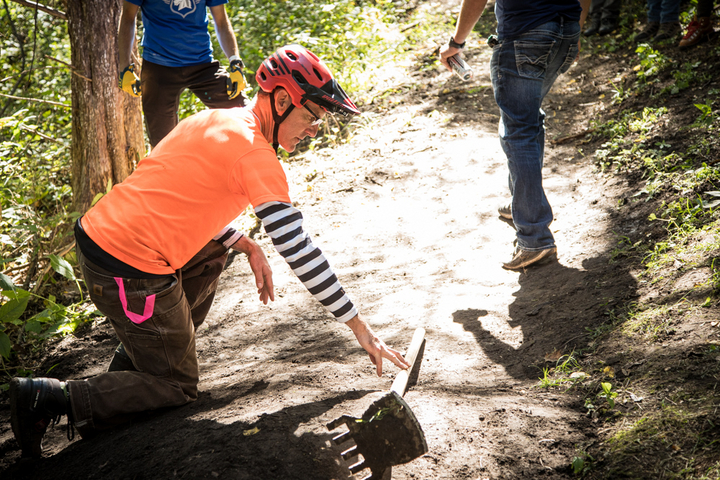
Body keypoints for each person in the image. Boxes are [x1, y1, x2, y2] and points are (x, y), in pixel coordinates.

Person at [9, 45, 410, 458]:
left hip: (102, 237)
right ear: (284, 99)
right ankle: (50, 398)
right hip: (127, 266)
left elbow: (175, 189)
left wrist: (243, 241)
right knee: (177, 386)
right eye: (311, 117)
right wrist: (361, 329)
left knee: (216, 253)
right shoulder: (256, 154)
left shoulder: (219, 118)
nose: (313, 129)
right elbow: (299, 249)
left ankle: (137, 365)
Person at [439, 0, 590, 270]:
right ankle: (523, 203)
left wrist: (457, 42)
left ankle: (534, 237)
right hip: (565, 31)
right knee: (526, 120)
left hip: (525, 33)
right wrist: (575, 29)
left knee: (519, 129)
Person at [118, 0, 249, 148]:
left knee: (246, 116)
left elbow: (221, 22)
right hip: (159, 69)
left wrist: (235, 61)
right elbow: (128, 18)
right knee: (162, 146)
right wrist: (125, 68)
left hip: (203, 65)